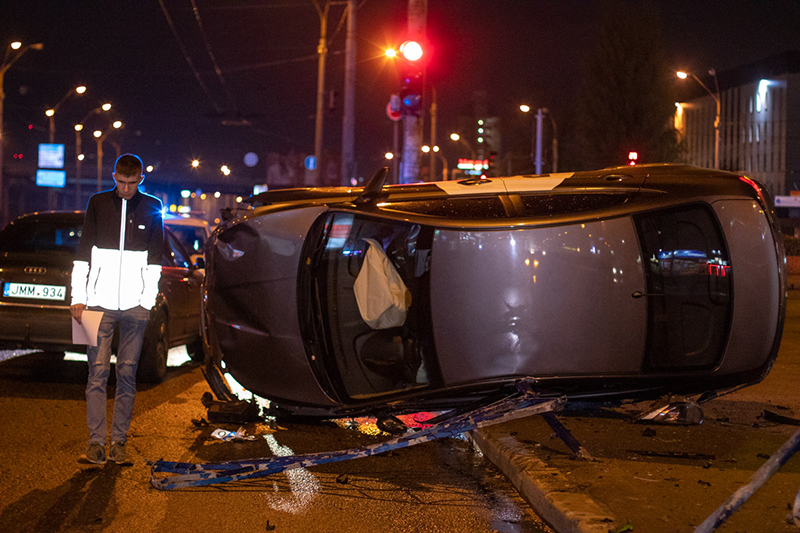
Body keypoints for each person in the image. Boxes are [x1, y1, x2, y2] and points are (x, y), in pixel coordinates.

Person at [70, 153, 164, 465]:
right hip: (94, 303)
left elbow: (155, 259)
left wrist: (147, 301)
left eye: (132, 183)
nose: (126, 189)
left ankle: (119, 444)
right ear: (114, 177)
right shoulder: (97, 202)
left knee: (127, 373)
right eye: (121, 182)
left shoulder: (152, 207)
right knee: (94, 374)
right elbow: (83, 251)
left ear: (141, 180)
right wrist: (76, 297)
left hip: (135, 306)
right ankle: (96, 444)